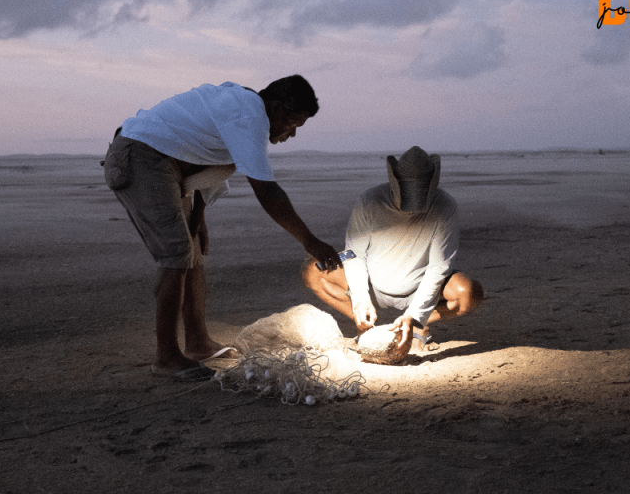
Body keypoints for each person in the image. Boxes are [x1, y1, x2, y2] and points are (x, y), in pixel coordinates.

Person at [103, 76, 340, 380]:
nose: (291, 134)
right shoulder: (249, 113)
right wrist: (311, 242)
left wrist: (198, 219)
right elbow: (267, 191)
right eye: (293, 123)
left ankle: (198, 342)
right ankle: (166, 357)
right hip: (141, 158)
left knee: (195, 251)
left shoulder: (242, 111)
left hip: (171, 171)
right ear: (277, 107)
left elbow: (204, 166)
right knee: (176, 254)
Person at [302, 146, 484, 353]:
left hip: (419, 289)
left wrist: (415, 317)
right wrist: (360, 299)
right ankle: (368, 328)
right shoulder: (369, 201)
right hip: (373, 284)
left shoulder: (445, 206)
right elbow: (354, 254)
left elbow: (438, 267)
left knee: (469, 293)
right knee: (313, 270)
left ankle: (417, 327)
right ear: (394, 182)